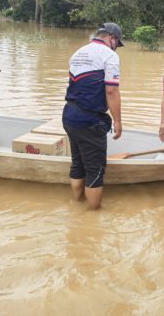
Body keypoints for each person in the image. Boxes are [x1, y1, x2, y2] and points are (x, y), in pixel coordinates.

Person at [62, 22, 124, 210]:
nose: (116, 47)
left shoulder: (78, 53)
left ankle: (76, 204)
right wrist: (117, 121)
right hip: (89, 120)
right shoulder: (110, 55)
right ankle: (92, 216)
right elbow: (111, 91)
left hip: (69, 115)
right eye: (117, 43)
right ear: (112, 38)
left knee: (77, 163)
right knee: (95, 170)